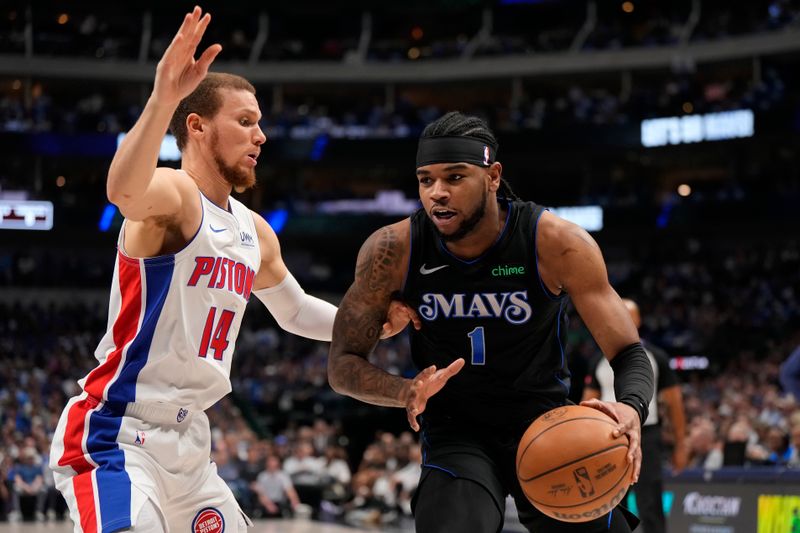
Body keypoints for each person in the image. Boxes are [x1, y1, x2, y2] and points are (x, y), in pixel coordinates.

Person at [47, 7, 411, 533]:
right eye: (245, 122)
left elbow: (294, 311)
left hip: (191, 443)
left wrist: (370, 322)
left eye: (259, 123)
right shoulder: (174, 195)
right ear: (196, 126)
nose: (260, 136)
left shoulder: (254, 230)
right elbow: (123, 191)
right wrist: (162, 97)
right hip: (118, 433)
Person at [328, 111, 655, 532]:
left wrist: (631, 409)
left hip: (547, 422)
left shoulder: (556, 243)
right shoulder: (393, 250)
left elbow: (629, 353)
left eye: (455, 177)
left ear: (493, 176)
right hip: (455, 429)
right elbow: (342, 364)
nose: (437, 193)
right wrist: (405, 391)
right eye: (426, 180)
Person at [582, 298, 687, 533]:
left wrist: (681, 444)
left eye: (631, 315)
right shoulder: (597, 361)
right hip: (607, 437)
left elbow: (674, 403)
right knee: (608, 504)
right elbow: (586, 403)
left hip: (646, 434)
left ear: (638, 321)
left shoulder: (656, 357)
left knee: (649, 501)